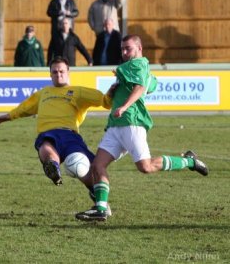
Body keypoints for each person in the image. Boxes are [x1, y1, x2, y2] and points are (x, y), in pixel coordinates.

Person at [75, 35, 209, 222]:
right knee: (97, 165)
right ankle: (101, 209)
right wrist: (116, 92)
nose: (124, 52)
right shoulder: (137, 67)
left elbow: (140, 88)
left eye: (128, 48)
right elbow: (150, 84)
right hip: (115, 126)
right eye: (122, 49)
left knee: (146, 167)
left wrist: (124, 106)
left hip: (131, 123)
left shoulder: (138, 64)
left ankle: (190, 161)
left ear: (139, 48)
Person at [0, 58, 114, 214]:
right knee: (45, 146)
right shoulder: (44, 93)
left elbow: (105, 101)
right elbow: (25, 108)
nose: (58, 74)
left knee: (81, 170)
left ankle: (98, 198)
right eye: (55, 72)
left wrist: (111, 93)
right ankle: (53, 168)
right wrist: (9, 116)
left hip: (69, 135)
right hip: (47, 133)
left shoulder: (79, 91)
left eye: (62, 71)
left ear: (68, 72)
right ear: (50, 74)